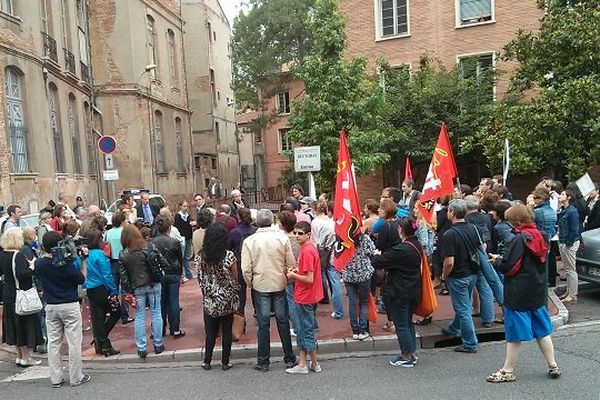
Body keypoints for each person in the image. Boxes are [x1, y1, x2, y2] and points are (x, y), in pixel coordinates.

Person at [487, 205, 560, 382]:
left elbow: (509, 267)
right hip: (536, 290)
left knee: (514, 334)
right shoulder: (542, 235)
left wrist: (497, 261)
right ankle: (553, 365)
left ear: (517, 221)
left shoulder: (518, 239)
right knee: (542, 331)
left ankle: (507, 370)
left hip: (518, 292)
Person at [241, 209, 297, 372]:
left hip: (260, 284)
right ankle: (289, 357)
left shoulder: (249, 241)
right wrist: (286, 278)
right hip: (279, 282)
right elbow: (291, 262)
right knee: (282, 321)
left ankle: (263, 361)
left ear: (257, 222)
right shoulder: (282, 238)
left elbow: (246, 269)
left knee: (263, 324)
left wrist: (251, 283)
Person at [35, 230, 90, 387]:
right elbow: (81, 279)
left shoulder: (40, 264)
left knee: (53, 343)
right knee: (74, 343)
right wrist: (83, 260)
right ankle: (75, 376)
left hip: (51, 305)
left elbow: (39, 265)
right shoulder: (67, 265)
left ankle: (56, 378)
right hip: (69, 304)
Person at [371, 218, 422, 367]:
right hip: (412, 289)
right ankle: (411, 352)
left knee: (401, 324)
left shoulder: (402, 249)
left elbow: (378, 262)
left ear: (400, 230)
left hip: (400, 291)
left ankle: (406, 356)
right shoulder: (416, 244)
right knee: (407, 322)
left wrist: (375, 254)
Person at [198, 223, 240, 371]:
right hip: (226, 298)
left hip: (209, 297)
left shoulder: (201, 256)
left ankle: (207, 360)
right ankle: (225, 361)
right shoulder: (229, 256)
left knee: (210, 332)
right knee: (227, 330)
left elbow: (200, 277)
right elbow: (235, 277)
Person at [440, 199, 480, 353]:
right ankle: (453, 328)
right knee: (464, 305)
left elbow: (449, 261)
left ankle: (470, 343)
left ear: (453, 213)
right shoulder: (472, 228)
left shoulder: (450, 234)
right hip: (472, 273)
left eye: (449, 210)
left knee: (463, 310)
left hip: (458, 276)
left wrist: (444, 275)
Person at [0, 228, 43, 367]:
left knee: (12, 326)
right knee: (23, 325)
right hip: (21, 293)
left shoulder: (2, 254)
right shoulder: (18, 256)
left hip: (8, 293)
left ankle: (19, 356)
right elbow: (22, 274)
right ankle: (26, 357)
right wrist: (32, 266)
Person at [120, 225, 164, 358]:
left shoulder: (123, 254)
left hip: (137, 287)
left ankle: (142, 347)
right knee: (156, 312)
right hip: (153, 283)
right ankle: (158, 344)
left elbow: (123, 276)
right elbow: (161, 260)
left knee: (139, 316)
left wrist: (129, 290)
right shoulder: (149, 246)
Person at [285, 221, 323, 374]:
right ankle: (307, 362)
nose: (297, 236)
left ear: (308, 234)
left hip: (305, 296)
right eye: (295, 233)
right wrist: (297, 269)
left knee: (305, 330)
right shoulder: (308, 248)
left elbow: (309, 278)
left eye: (300, 233)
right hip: (309, 295)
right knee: (305, 330)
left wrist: (293, 274)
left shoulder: (307, 251)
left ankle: (309, 364)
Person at [83, 229, 120, 357]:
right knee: (116, 312)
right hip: (101, 288)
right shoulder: (99, 255)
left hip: (90, 289)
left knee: (98, 317)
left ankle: (101, 340)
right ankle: (103, 338)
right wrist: (113, 290)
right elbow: (107, 275)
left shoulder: (84, 255)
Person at [151, 216, 185, 338]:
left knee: (160, 302)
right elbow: (179, 259)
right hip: (173, 272)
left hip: (159, 274)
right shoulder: (174, 242)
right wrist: (181, 273)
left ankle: (160, 329)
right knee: (173, 300)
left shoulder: (151, 242)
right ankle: (175, 328)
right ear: (169, 228)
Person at [311, 200, 344, 319]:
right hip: (332, 253)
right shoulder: (332, 222)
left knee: (316, 281)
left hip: (320, 253)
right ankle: (339, 311)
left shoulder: (315, 222)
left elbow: (315, 241)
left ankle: (313, 309)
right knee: (335, 283)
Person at [342, 232, 375, 340]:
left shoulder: (344, 238)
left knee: (352, 302)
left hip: (348, 274)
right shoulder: (364, 238)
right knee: (364, 302)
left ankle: (355, 331)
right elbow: (371, 251)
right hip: (363, 274)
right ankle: (362, 330)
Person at [105, 211, 133, 324]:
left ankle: (114, 312)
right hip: (124, 261)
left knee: (114, 288)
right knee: (125, 288)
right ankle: (124, 315)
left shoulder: (108, 232)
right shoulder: (124, 232)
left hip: (112, 261)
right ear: (122, 221)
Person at [229, 207, 257, 314]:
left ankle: (240, 316)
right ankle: (257, 311)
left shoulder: (234, 232)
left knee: (240, 293)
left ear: (238, 218)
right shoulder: (255, 231)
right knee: (256, 290)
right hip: (254, 263)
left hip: (240, 263)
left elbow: (229, 248)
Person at [278, 211, 300, 336]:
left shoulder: (282, 239)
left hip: (289, 274)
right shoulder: (298, 238)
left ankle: (296, 327)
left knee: (291, 301)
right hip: (300, 272)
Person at [557, 189, 580, 303]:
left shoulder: (572, 211)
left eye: (562, 194)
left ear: (569, 197)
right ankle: (569, 291)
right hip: (563, 241)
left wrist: (568, 243)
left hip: (569, 243)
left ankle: (572, 294)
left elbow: (575, 229)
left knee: (571, 269)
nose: (559, 196)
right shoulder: (563, 210)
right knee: (567, 269)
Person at [173, 200, 195, 280]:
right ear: (180, 207)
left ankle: (188, 274)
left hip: (188, 237)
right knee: (181, 257)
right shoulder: (178, 216)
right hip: (182, 238)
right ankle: (182, 275)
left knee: (187, 257)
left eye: (187, 206)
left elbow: (190, 224)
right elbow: (177, 227)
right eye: (184, 206)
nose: (186, 208)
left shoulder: (188, 215)